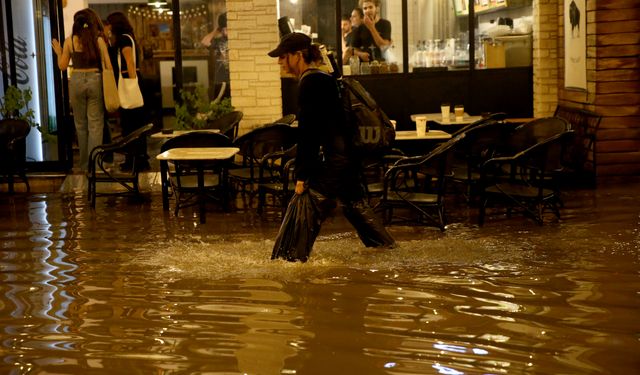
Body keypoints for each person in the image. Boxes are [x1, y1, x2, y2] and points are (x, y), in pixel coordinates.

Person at [268, 32, 396, 257]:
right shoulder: (325, 78)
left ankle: (290, 261)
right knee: (355, 205)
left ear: (298, 55)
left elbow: (309, 132)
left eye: (283, 56)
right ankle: (389, 252)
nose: (280, 62)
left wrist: (301, 176)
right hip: (348, 158)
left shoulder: (311, 82)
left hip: (335, 160)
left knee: (309, 201)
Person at [52, 8, 111, 173]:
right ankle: (95, 165)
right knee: (96, 124)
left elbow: (62, 66)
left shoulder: (69, 41)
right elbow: (108, 64)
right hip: (95, 80)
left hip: (76, 81)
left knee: (80, 125)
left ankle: (84, 165)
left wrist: (58, 53)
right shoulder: (98, 40)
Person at [106, 11, 150, 171]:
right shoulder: (129, 36)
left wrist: (131, 84)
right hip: (133, 83)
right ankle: (138, 157)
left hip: (130, 83)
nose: (108, 27)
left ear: (115, 24)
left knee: (131, 124)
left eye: (109, 24)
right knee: (136, 123)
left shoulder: (124, 38)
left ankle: (134, 159)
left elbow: (129, 62)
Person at [201, 12, 230, 100]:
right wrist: (216, 30)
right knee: (217, 105)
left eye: (227, 29)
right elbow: (205, 41)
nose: (225, 31)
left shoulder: (237, 40)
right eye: (223, 29)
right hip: (220, 80)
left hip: (233, 80)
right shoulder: (219, 41)